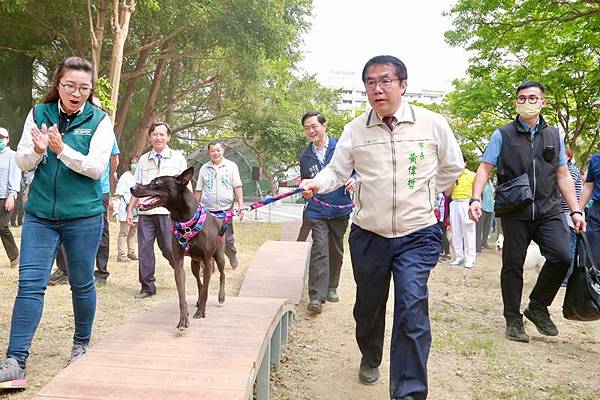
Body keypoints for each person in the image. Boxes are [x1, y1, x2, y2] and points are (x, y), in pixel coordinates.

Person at [300, 55, 463, 400]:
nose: (378, 89)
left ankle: (409, 392)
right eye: (371, 83)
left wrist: (427, 194)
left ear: (403, 85)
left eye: (386, 80)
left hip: (417, 233)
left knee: (412, 306)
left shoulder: (432, 124)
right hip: (369, 234)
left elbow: (452, 167)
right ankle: (370, 354)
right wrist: (317, 182)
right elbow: (338, 171)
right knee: (368, 307)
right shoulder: (355, 130)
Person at [0, 56, 114, 387]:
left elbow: (96, 168)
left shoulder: (100, 121)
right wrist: (37, 151)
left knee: (81, 282)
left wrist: (62, 150)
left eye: (83, 87)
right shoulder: (39, 113)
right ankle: (15, 361)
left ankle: (81, 345)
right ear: (58, 84)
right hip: (40, 216)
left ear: (90, 90)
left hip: (83, 215)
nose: (76, 92)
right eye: (69, 85)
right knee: (30, 284)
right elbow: (22, 161)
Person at [469, 80, 585, 343]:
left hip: (549, 208)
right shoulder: (502, 134)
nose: (527, 102)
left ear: (543, 102)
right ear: (516, 103)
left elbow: (563, 174)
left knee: (562, 255)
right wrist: (475, 198)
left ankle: (537, 306)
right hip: (515, 209)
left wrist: (576, 210)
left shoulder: (555, 135)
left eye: (533, 98)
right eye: (521, 98)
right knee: (513, 265)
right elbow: (485, 168)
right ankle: (512, 319)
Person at [299, 111, 354, 313]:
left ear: (324, 126)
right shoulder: (305, 156)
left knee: (335, 249)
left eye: (314, 126)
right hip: (317, 210)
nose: (311, 131)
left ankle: (332, 287)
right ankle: (316, 296)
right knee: (319, 249)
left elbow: (356, 168)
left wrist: (354, 179)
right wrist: (305, 192)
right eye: (307, 128)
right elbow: (305, 182)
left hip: (340, 208)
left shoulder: (342, 147)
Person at [127, 122, 187, 299]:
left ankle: (179, 272)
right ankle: (147, 286)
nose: (158, 137)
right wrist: (130, 209)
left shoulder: (177, 158)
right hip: (147, 213)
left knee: (168, 248)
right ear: (150, 136)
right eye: (155, 134)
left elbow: (184, 188)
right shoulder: (144, 160)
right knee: (144, 250)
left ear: (168, 137)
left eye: (162, 134)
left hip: (168, 214)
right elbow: (137, 187)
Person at [47, 139, 118, 286]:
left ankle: (101, 272)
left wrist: (104, 180)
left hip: (99, 189)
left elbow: (114, 161)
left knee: (101, 231)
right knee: (61, 225)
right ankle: (64, 269)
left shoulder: (102, 126)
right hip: (70, 188)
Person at [194, 141, 245, 269]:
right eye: (212, 151)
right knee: (206, 239)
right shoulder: (204, 168)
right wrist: (195, 207)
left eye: (218, 150)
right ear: (209, 152)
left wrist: (241, 205)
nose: (215, 153)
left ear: (223, 150)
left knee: (227, 240)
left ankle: (232, 256)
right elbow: (199, 190)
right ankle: (208, 266)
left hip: (225, 210)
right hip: (207, 210)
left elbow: (237, 186)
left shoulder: (231, 166)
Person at [446, 157, 476, 268]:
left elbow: (476, 192)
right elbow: (447, 193)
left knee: (468, 232)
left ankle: (470, 258)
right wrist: (454, 179)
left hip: (466, 203)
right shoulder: (452, 175)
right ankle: (459, 257)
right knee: (456, 232)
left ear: (465, 163)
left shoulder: (472, 175)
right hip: (454, 203)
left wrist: (476, 206)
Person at [0, 127, 21, 267]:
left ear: (7, 140)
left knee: (2, 226)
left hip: (5, 196)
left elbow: (15, 175)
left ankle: (15, 256)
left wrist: (12, 195)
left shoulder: (12, 155)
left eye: (2, 137)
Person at [116, 155, 139, 262]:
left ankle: (131, 252)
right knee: (123, 232)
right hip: (125, 207)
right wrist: (128, 204)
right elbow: (120, 193)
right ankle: (121, 254)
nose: (135, 164)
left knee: (133, 232)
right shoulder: (125, 176)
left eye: (137, 162)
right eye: (133, 162)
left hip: (137, 208)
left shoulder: (140, 176)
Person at [580, 152, 600, 231]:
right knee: (591, 242)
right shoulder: (596, 159)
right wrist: (578, 212)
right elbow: (588, 186)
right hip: (596, 213)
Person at [476, 175, 495, 251]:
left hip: (490, 208)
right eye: (489, 174)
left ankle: (484, 242)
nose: (490, 175)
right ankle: (478, 244)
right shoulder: (481, 183)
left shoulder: (490, 183)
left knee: (487, 227)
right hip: (482, 207)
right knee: (479, 227)